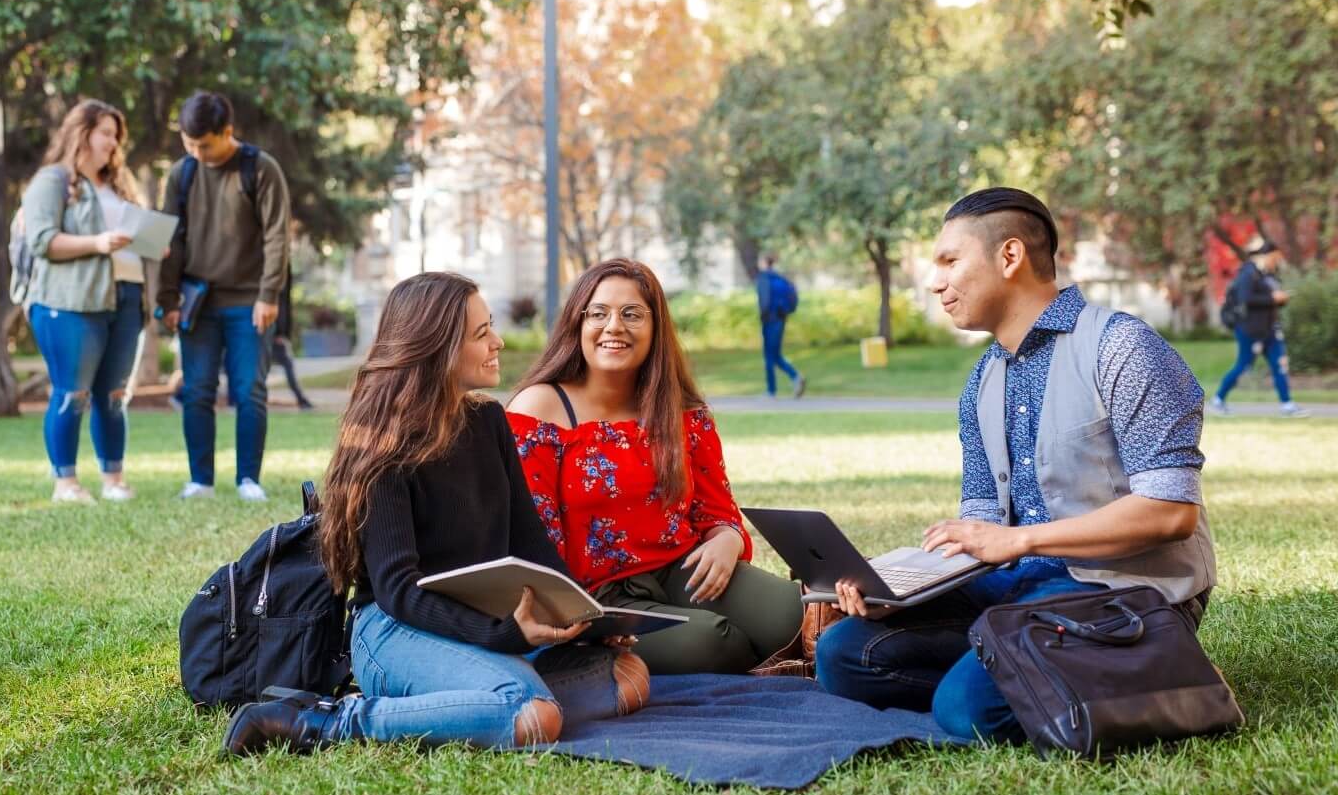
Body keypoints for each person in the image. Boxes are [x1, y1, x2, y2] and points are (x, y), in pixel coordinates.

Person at [815, 187, 1217, 743]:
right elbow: (982, 521)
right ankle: (1027, 672)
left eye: (950, 261)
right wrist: (901, 590)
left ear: (1009, 257)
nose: (936, 282)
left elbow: (1172, 512)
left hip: (1121, 589)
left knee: (967, 713)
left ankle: (1156, 663)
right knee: (843, 653)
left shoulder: (1122, 346)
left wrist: (1022, 541)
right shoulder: (981, 381)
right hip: (1020, 588)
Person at [222, 272, 649, 756]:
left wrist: (584, 616)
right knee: (530, 714)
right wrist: (503, 635)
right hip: (395, 630)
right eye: (481, 333)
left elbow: (529, 543)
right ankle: (325, 719)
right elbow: (399, 591)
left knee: (627, 680)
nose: (498, 341)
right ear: (438, 347)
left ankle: (463, 701)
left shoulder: (489, 421)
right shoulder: (383, 443)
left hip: (482, 626)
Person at [506, 259, 803, 675]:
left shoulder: (683, 411)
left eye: (632, 314)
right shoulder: (539, 410)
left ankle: (784, 658)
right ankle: (767, 663)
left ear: (655, 328)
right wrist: (582, 616)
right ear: (578, 322)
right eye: (599, 313)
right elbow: (532, 540)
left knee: (794, 614)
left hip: (683, 569)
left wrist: (727, 540)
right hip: (598, 597)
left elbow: (717, 512)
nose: (614, 327)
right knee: (714, 640)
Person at [157, 92, 292, 501]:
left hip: (250, 301)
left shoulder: (260, 168)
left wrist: (269, 294)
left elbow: (276, 236)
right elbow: (170, 238)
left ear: (227, 132)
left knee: (249, 388)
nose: (197, 152)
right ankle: (200, 480)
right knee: (197, 389)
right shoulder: (182, 175)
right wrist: (167, 298)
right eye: (189, 143)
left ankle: (248, 479)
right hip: (197, 301)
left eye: (205, 144)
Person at [20, 99, 148, 503]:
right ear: (83, 133)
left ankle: (113, 480)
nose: (113, 142)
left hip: (125, 297)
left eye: (116, 135)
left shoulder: (119, 184)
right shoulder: (52, 180)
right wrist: (97, 243)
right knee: (72, 393)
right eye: (106, 133)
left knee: (113, 395)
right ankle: (66, 484)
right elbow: (41, 240)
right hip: (70, 302)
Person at [1212, 240, 1309, 418]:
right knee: (1243, 365)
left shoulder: (1268, 275)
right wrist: (1272, 298)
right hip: (1250, 330)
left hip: (1270, 330)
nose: (1276, 262)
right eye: (1274, 258)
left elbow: (1270, 299)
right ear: (1265, 255)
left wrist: (1281, 299)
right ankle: (1218, 399)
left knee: (1280, 365)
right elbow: (1246, 299)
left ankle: (1287, 404)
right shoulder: (1248, 273)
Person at [756, 256, 805, 398]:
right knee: (776, 354)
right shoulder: (780, 279)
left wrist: (763, 317)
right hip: (781, 319)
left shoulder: (764, 278)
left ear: (764, 262)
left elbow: (764, 301)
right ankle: (796, 377)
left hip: (769, 320)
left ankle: (771, 391)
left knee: (769, 356)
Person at [268, 276, 315, 411]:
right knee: (286, 367)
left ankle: (302, 400)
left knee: (280, 368)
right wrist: (278, 332)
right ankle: (302, 400)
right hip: (271, 334)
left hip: (275, 334)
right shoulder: (276, 281)